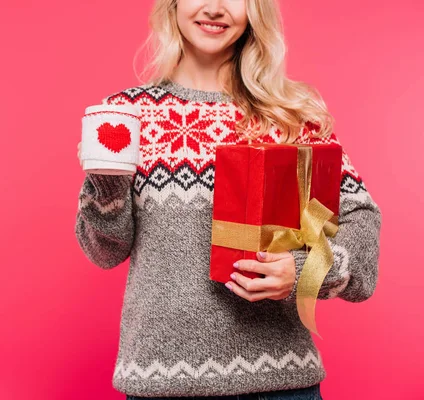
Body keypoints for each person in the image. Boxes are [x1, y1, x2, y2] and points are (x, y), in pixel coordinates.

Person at [75, 0, 382, 399]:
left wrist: (305, 271)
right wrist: (107, 184)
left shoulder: (288, 117)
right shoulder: (126, 115)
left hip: (281, 383)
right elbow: (103, 252)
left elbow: (362, 222)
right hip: (160, 382)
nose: (216, 8)